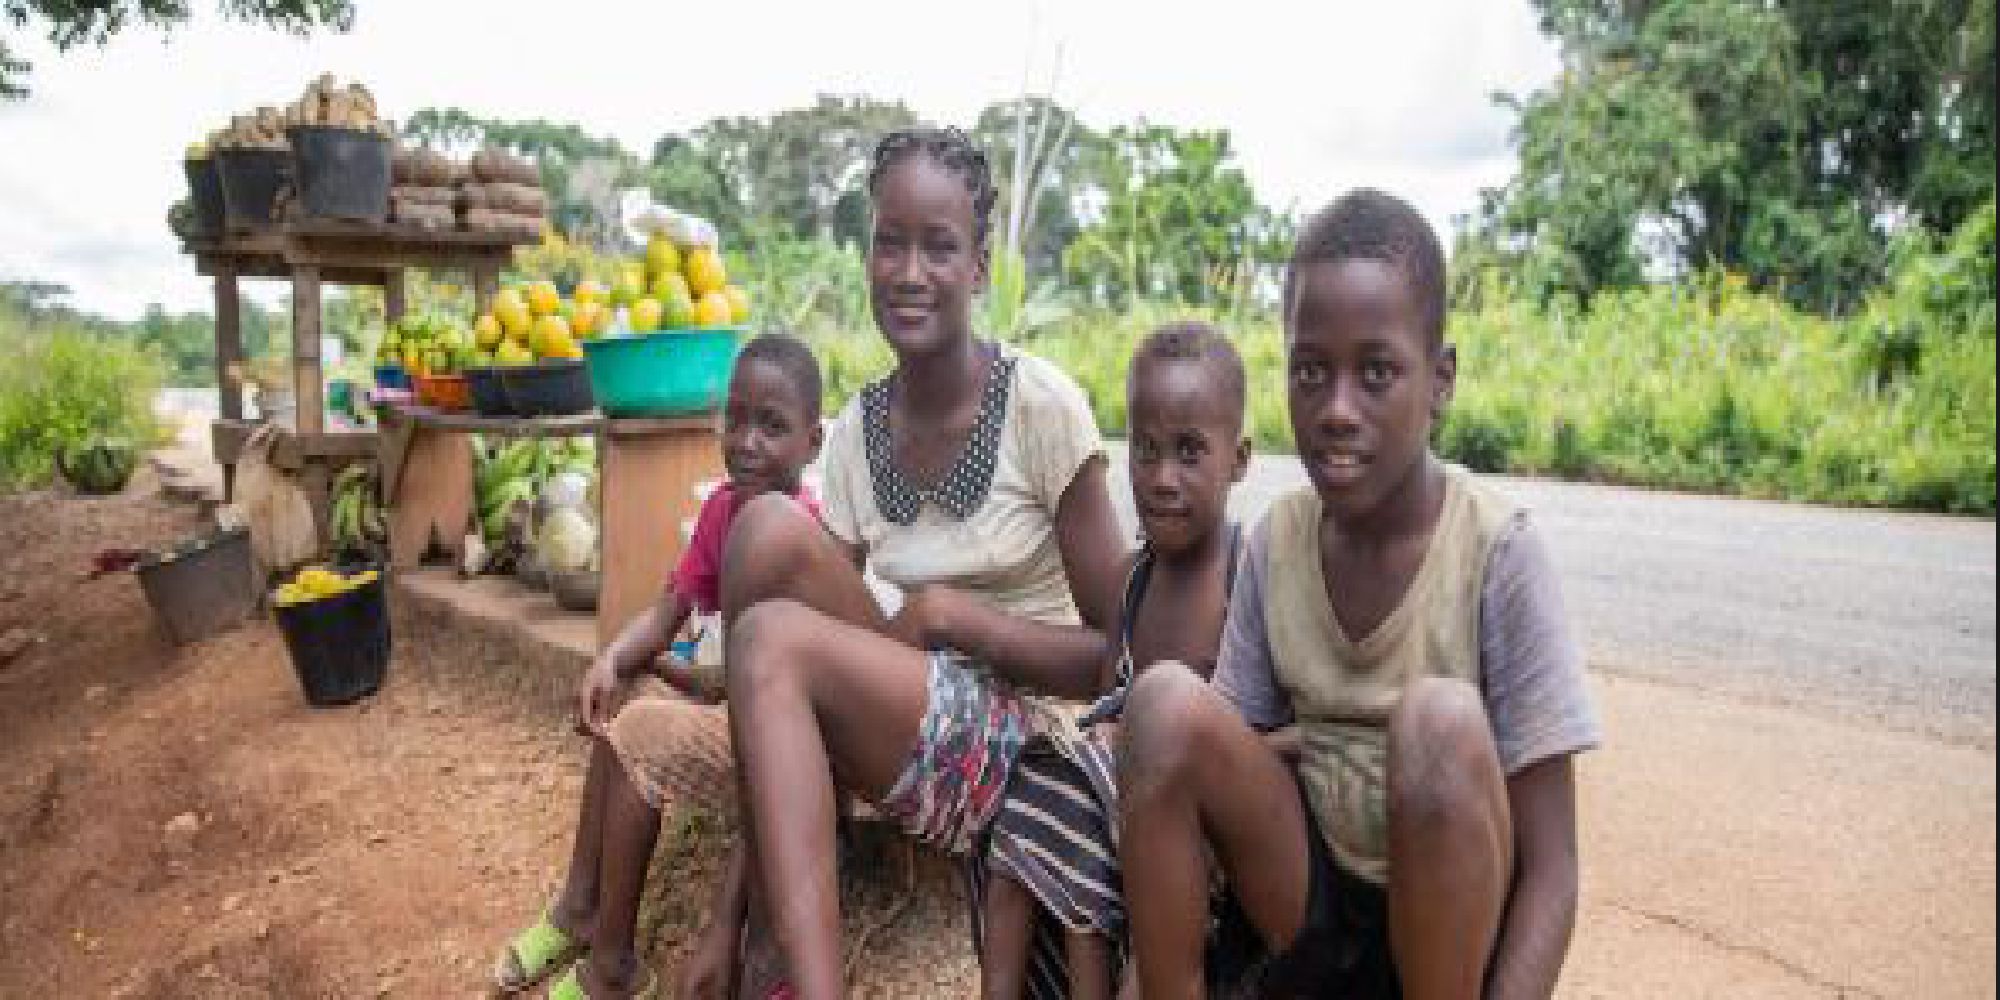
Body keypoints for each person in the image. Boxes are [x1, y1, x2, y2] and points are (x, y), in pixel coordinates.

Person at [1115, 189, 1603, 1000]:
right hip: (1308, 914)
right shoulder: (1278, 541)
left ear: (1440, 379)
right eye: (1311, 371)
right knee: (1163, 703)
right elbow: (1223, 772)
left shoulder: (1497, 552)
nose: (1338, 410)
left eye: (1377, 372)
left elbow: (1553, 871)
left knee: (1437, 724)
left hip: (1449, 943)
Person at [680, 126, 1129, 1000]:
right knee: (762, 530)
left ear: (980, 267)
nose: (910, 272)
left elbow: (1120, 655)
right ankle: (766, 932)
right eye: (890, 243)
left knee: (769, 634)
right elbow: (787, 655)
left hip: (1029, 746)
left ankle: (798, 979)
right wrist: (719, 920)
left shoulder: (1041, 407)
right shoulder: (855, 431)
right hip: (909, 712)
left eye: (939, 247)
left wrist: (958, 618)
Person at [490, 333, 825, 1000]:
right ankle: (580, 907)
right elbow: (670, 610)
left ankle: (612, 969)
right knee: (626, 688)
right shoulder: (725, 509)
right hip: (735, 704)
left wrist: (694, 683)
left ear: (812, 444)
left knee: (641, 729)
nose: (747, 442)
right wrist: (613, 659)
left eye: (772, 426)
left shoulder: (800, 537)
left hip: (777, 746)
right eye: (736, 419)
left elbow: (783, 709)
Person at [975, 321, 1251, 1000]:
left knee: (1074, 798)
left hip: (1199, 834)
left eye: (1189, 453)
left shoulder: (1245, 576)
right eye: (1146, 451)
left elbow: (1252, 738)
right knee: (1035, 787)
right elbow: (1105, 703)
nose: (1162, 478)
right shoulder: (1131, 581)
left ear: (1240, 459)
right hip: (1111, 817)